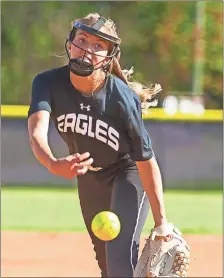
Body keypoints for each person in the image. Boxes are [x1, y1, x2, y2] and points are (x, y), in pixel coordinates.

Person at [28, 13, 189, 278]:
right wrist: (52, 162)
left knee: (119, 255)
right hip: (90, 177)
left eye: (98, 45)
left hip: (128, 172)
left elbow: (146, 159)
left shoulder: (122, 98)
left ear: (108, 57)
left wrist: (162, 224)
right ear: (69, 44)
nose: (87, 50)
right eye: (82, 40)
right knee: (106, 263)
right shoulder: (47, 83)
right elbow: (36, 131)